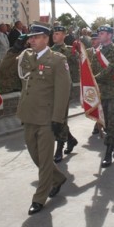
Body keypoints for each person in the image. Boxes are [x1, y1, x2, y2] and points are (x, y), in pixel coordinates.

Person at [0, 22, 71, 215]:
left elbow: (63, 92)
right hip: (28, 115)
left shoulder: (57, 59)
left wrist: (58, 119)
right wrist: (14, 49)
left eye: (36, 37)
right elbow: (3, 69)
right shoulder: (24, 56)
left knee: (45, 160)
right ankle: (58, 178)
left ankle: (39, 197)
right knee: (35, 156)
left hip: (47, 118)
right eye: (29, 37)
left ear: (45, 38)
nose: (31, 40)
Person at [90, 25, 114, 168]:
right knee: (105, 124)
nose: (99, 34)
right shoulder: (96, 53)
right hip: (102, 94)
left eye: (103, 32)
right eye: (99, 32)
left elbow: (113, 68)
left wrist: (97, 78)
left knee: (113, 123)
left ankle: (108, 153)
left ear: (110, 35)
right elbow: (92, 71)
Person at [50, 24, 79, 163]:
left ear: (64, 35)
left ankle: (59, 148)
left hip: (64, 89)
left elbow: (79, 64)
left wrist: (77, 51)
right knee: (54, 119)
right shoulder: (48, 51)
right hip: (51, 89)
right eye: (53, 33)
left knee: (60, 119)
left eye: (57, 33)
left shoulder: (69, 51)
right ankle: (71, 140)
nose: (54, 35)